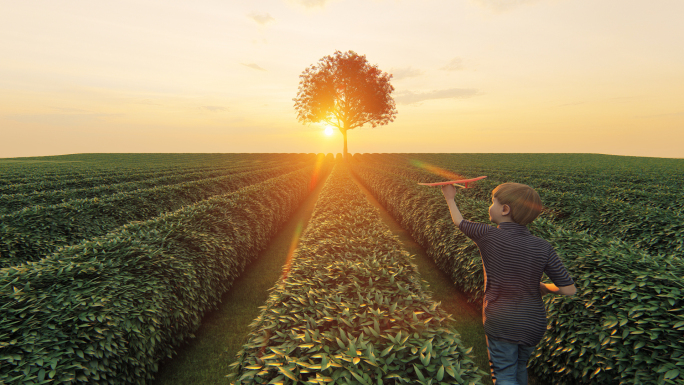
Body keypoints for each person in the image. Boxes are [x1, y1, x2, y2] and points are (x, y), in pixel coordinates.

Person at [441, 182, 576, 385]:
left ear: (505, 210)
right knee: (520, 367)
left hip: (502, 320)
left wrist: (450, 198)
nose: (490, 206)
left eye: (492, 202)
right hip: (534, 323)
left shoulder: (488, 234)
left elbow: (459, 221)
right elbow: (569, 289)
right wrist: (544, 287)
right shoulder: (543, 246)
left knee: (503, 373)